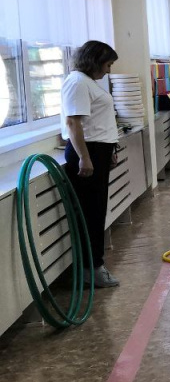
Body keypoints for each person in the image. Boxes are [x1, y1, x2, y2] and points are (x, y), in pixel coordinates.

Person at [61, 40, 121, 288]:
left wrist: (110, 149)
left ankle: (95, 266)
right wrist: (86, 157)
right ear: (94, 61)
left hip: (99, 150)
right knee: (90, 214)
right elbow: (74, 124)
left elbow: (96, 121)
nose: (108, 70)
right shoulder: (76, 82)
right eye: (107, 64)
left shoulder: (86, 82)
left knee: (97, 211)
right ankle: (91, 269)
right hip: (89, 152)